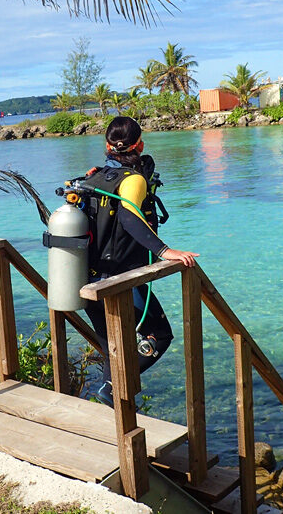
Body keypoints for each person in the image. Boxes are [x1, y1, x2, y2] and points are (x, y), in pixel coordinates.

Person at [80, 116, 198, 405]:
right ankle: (115, 392)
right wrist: (164, 251)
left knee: (112, 347)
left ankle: (112, 403)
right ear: (140, 144)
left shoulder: (93, 177)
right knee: (160, 335)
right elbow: (129, 217)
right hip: (121, 280)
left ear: (107, 146)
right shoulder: (133, 180)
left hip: (86, 278)